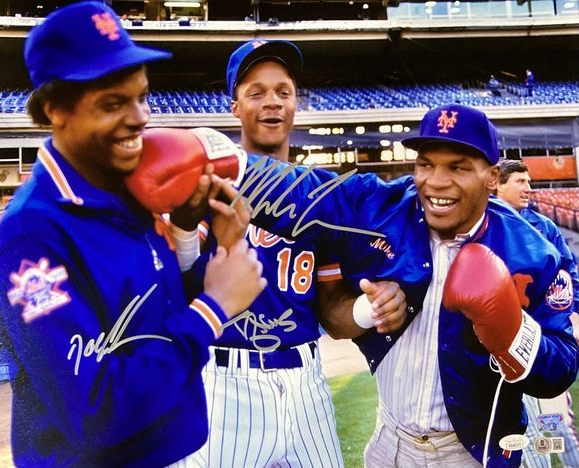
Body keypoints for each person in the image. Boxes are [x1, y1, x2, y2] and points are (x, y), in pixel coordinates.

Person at [219, 103, 579, 467]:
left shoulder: (534, 253)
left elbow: (562, 368)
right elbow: (307, 192)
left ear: (492, 176)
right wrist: (222, 163)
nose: (436, 181)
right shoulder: (382, 206)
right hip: (389, 443)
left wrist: (511, 334)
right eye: (426, 164)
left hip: (473, 452)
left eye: (457, 167)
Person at [0, 3, 266, 467]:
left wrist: (188, 235)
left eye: (142, 97)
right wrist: (213, 310)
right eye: (113, 103)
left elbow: (150, 320)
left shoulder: (126, 191)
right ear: (56, 109)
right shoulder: (31, 237)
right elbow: (93, 412)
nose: (139, 118)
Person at [170, 38, 408, 468]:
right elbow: (175, 289)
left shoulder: (320, 199)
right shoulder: (210, 185)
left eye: (283, 91)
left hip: (306, 382)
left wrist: (371, 309)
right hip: (224, 381)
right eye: (256, 93)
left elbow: (332, 314)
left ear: (297, 103)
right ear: (234, 107)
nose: (272, 102)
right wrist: (185, 228)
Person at [496, 159, 579, 468]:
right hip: (499, 345)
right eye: (520, 181)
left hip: (544, 342)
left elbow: (568, 276)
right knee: (521, 437)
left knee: (556, 427)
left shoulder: (544, 227)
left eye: (529, 181)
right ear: (497, 184)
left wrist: (574, 317)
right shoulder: (482, 226)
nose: (529, 188)